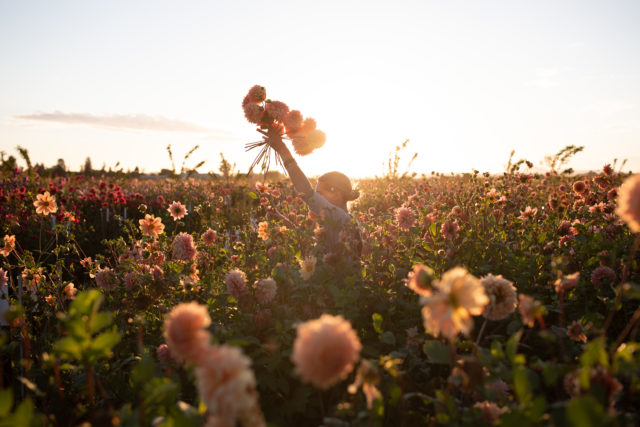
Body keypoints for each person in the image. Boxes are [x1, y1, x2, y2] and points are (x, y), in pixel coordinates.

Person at [262, 128, 362, 260]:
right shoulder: (340, 219)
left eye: (320, 194)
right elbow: (310, 242)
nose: (316, 198)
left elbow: (306, 192)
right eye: (316, 194)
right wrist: (283, 220)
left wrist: (282, 149)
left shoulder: (339, 217)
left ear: (337, 193)